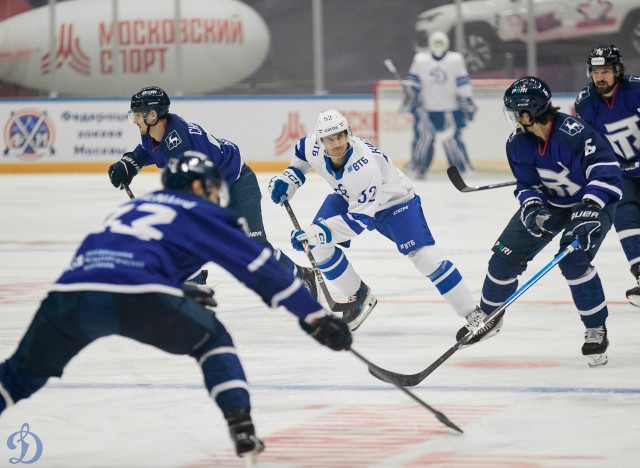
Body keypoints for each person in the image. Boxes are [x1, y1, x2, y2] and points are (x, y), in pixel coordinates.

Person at [0, 151, 352, 460]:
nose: (214, 197)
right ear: (198, 186)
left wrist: (174, 290)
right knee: (212, 339)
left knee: (19, 376)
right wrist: (314, 316)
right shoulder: (202, 211)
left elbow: (112, 261)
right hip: (142, 295)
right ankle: (241, 426)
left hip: (71, 295)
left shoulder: (131, 207)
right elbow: (260, 269)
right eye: (211, 189)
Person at [268, 109, 482, 334]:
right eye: (330, 139)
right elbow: (301, 157)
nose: (337, 143)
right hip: (351, 197)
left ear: (348, 133)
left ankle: (473, 314)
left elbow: (359, 220)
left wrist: (318, 232)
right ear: (320, 141)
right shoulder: (310, 144)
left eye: (340, 136)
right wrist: (290, 179)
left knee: (426, 259)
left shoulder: (363, 167)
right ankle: (358, 295)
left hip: (395, 203)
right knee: (318, 246)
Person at [466, 76, 622, 366]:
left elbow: (606, 171)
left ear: (531, 111)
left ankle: (595, 328)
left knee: (573, 261)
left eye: (516, 112)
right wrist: (532, 207)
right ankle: (489, 316)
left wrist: (591, 207)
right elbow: (527, 184)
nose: (514, 119)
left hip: (592, 204)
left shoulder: (575, 133)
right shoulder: (517, 143)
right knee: (503, 258)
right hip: (551, 204)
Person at [107, 86, 317, 297]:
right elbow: (148, 150)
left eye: (137, 115)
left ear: (152, 114)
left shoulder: (181, 146)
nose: (134, 120)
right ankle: (191, 282)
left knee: (253, 248)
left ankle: (301, 275)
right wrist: (130, 163)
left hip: (238, 185)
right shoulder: (156, 131)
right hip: (213, 187)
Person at [574, 44, 640, 307]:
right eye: (595, 72)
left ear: (617, 71)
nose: (600, 77)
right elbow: (587, 143)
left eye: (605, 71)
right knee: (624, 213)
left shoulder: (636, 90)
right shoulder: (586, 103)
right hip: (622, 171)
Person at [404, 30, 477, 179]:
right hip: (426, 111)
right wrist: (411, 98)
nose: (438, 46)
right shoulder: (420, 60)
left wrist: (466, 101)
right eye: (436, 43)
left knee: (452, 142)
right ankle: (418, 168)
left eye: (441, 43)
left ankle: (460, 170)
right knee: (422, 141)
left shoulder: (455, 60)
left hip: (450, 110)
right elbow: (413, 84)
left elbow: (463, 84)